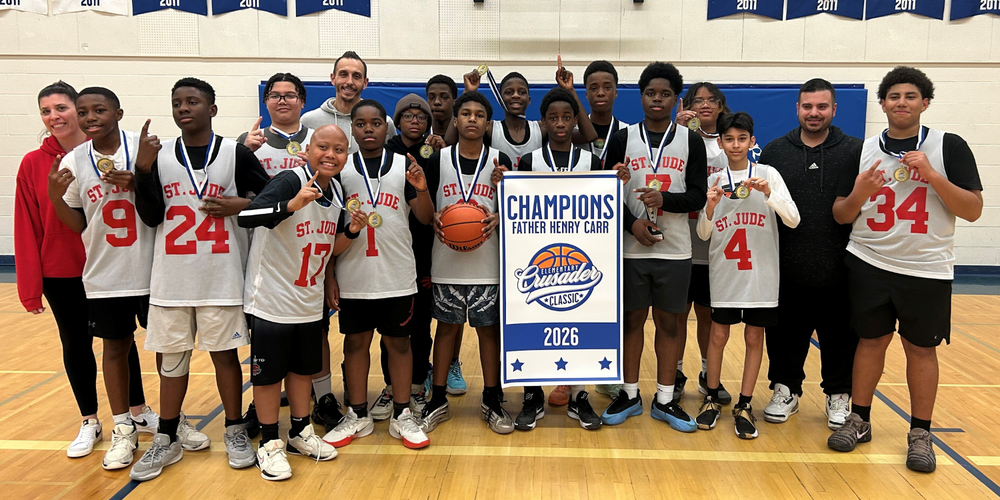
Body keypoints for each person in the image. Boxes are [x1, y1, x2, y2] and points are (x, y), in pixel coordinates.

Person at [828, 66, 983, 473]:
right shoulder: (861, 150)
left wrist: (931, 174)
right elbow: (841, 214)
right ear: (882, 104)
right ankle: (859, 420)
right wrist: (861, 191)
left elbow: (972, 210)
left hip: (926, 267)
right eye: (893, 96)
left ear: (925, 102)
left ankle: (920, 433)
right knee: (870, 342)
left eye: (910, 96)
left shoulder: (948, 145)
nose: (901, 103)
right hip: (869, 260)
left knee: (920, 348)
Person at [130, 77, 270, 481]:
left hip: (221, 276)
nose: (183, 108)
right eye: (177, 102)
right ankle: (168, 437)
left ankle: (234, 430)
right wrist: (141, 168)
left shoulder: (235, 153)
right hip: (171, 278)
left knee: (225, 356)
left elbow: (267, 202)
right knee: (171, 361)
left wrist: (238, 205)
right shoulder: (158, 155)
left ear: (212, 109)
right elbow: (152, 215)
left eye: (192, 101)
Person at [238, 124, 366, 480]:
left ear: (345, 156)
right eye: (322, 147)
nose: (330, 155)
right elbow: (246, 216)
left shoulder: (337, 190)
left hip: (308, 301)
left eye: (338, 150)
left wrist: (352, 232)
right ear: (308, 150)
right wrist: (289, 205)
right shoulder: (289, 180)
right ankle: (269, 443)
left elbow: (329, 248)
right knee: (268, 378)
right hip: (271, 298)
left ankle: (298, 432)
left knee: (301, 372)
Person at [14, 81, 133, 459]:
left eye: (61, 108)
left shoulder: (108, 153)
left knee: (120, 340)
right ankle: (89, 419)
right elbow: (26, 224)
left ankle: (136, 412)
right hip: (62, 272)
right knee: (76, 344)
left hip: (110, 265)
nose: (54, 117)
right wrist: (30, 287)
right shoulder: (34, 163)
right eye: (46, 111)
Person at [44, 86, 158, 469]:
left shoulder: (141, 149)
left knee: (167, 348)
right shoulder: (74, 161)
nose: (90, 117)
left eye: (99, 110)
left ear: (118, 113)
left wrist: (140, 179)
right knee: (115, 348)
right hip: (105, 273)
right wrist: (56, 197)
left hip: (153, 269)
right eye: (84, 111)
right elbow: (78, 223)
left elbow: (163, 207)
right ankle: (123, 428)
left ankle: (168, 424)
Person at [505, 88, 630, 430]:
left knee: (582, 316)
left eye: (566, 117)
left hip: (581, 256)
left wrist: (617, 182)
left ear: (577, 120)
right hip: (540, 257)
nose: (560, 123)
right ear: (543, 122)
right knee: (536, 315)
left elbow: (607, 204)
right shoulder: (530, 161)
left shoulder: (592, 162)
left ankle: (579, 396)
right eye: (553, 118)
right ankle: (533, 394)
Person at [599, 62, 707, 432]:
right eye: (650, 93)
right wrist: (631, 224)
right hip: (631, 248)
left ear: (675, 98)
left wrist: (664, 200)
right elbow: (602, 192)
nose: (657, 99)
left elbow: (697, 195)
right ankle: (629, 393)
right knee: (631, 322)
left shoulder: (690, 140)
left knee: (669, 324)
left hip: (675, 249)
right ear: (641, 96)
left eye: (664, 94)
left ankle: (664, 398)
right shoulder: (623, 138)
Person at [320, 100, 434, 450]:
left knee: (399, 344)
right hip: (354, 274)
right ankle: (358, 413)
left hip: (397, 273)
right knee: (355, 343)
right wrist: (328, 276)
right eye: (361, 123)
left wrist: (423, 187)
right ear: (352, 128)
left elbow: (426, 218)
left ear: (388, 128)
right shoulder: (340, 169)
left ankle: (402, 413)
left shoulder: (404, 166)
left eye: (376, 123)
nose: (368, 129)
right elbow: (326, 229)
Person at [758, 78, 862, 428]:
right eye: (807, 106)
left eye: (821, 107)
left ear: (834, 109)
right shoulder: (774, 152)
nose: (814, 113)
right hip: (788, 267)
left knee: (840, 338)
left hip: (841, 268)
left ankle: (838, 395)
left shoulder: (855, 151)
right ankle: (786, 390)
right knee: (785, 336)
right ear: (797, 109)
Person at [695, 112, 800, 440]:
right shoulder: (716, 181)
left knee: (755, 338)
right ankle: (711, 398)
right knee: (717, 336)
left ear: (752, 142)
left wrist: (770, 193)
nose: (736, 144)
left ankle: (744, 403)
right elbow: (702, 234)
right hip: (725, 273)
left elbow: (794, 219)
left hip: (760, 275)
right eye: (729, 139)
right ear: (722, 142)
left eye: (742, 138)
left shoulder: (768, 174)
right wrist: (709, 208)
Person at [417, 91, 513, 435]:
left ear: (488, 124)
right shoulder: (439, 160)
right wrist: (435, 216)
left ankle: (492, 398)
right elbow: (426, 212)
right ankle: (438, 399)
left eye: (479, 115)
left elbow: (517, 209)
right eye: (466, 114)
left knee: (489, 332)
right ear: (455, 121)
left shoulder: (500, 160)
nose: (472, 119)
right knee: (446, 330)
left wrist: (500, 216)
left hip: (489, 262)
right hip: (447, 262)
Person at [547, 60, 629, 407]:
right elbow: (586, 136)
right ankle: (563, 379)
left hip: (606, 230)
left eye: (606, 86)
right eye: (592, 87)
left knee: (600, 304)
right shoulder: (571, 129)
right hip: (563, 230)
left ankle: (604, 372)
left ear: (616, 89)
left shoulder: (626, 132)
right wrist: (569, 94)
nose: (599, 93)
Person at [374, 94, 437, 418]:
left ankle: (416, 384)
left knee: (421, 323)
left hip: (423, 248)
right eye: (408, 116)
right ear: (397, 123)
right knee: (391, 328)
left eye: (421, 116)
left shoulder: (430, 153)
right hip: (389, 249)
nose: (415, 120)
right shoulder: (383, 155)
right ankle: (390, 386)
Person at [672, 82, 733, 404]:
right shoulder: (678, 139)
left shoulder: (731, 143)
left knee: (709, 316)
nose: (705, 105)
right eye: (699, 100)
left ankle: (711, 375)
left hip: (717, 246)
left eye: (712, 100)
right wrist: (679, 131)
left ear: (722, 106)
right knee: (678, 314)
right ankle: (677, 371)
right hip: (684, 241)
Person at [459, 57, 598, 165]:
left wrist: (570, 90)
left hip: (530, 199)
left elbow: (589, 136)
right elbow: (451, 139)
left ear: (529, 100)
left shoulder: (540, 128)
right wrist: (467, 92)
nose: (515, 95)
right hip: (501, 198)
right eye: (509, 92)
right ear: (500, 99)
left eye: (521, 92)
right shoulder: (490, 128)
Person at [425, 75, 470, 396]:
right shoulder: (420, 139)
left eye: (444, 97)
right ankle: (423, 369)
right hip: (423, 236)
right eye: (432, 97)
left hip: (459, 240)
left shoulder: (464, 145)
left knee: (451, 315)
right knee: (423, 318)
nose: (437, 102)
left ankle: (452, 362)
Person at [300, 51, 396, 154]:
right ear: (333, 79)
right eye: (343, 74)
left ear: (365, 83)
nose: (349, 82)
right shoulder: (309, 121)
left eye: (356, 76)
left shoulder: (384, 122)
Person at [239, 73, 313, 177]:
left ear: (302, 101)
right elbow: (229, 183)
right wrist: (244, 153)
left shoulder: (317, 139)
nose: (282, 101)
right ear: (266, 101)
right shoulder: (247, 140)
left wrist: (317, 170)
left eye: (290, 96)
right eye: (274, 96)